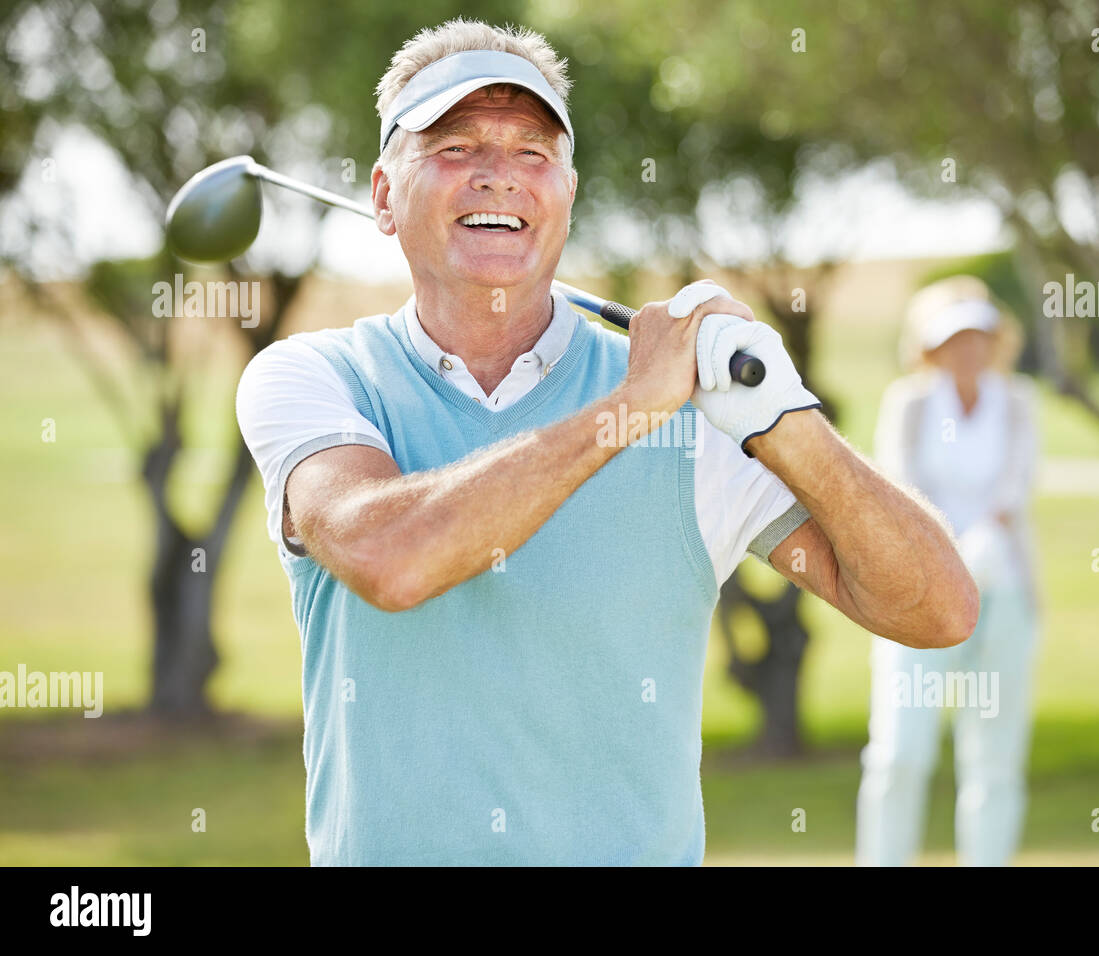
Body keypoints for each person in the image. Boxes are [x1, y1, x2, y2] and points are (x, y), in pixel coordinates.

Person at [235, 18, 978, 866]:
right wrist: (628, 407)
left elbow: (936, 609)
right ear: (381, 195)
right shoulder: (316, 379)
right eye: (454, 146)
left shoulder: (694, 422)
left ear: (568, 192)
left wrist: (783, 413)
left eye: (531, 152)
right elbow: (389, 557)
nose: (497, 175)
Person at [856, 275, 1040, 867]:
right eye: (954, 339)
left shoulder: (1017, 402)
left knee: (993, 759)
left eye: (977, 336)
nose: (968, 349)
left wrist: (983, 547)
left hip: (1004, 592)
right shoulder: (909, 404)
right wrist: (949, 556)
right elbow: (900, 488)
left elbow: (1013, 490)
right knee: (899, 753)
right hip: (918, 596)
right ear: (930, 348)